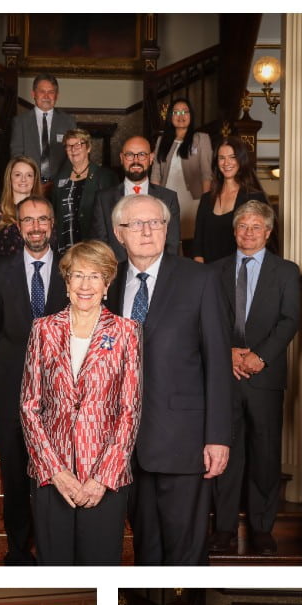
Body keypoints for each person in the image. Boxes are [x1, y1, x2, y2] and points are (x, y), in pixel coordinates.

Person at [109, 193, 231, 564]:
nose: (147, 231)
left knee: (185, 556)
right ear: (119, 233)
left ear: (167, 228)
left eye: (156, 223)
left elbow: (218, 363)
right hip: (124, 446)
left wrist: (217, 437)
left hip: (184, 440)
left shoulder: (200, 279)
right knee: (146, 552)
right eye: (136, 224)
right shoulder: (106, 284)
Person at [20, 239, 141, 565]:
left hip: (104, 475)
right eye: (77, 275)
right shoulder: (43, 329)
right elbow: (29, 405)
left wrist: (102, 477)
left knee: (100, 566)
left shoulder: (126, 332)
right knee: (53, 567)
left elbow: (129, 410)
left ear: (107, 284)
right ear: (66, 281)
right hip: (52, 473)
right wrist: (55, 471)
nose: (85, 284)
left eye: (94, 276)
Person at [208, 200, 301, 555]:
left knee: (264, 454)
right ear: (234, 231)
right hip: (224, 374)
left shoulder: (286, 271)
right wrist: (227, 353)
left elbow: (289, 320)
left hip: (264, 375)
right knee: (225, 452)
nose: (248, 232)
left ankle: (262, 528)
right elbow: (209, 320)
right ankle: (224, 528)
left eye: (256, 226)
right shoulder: (213, 271)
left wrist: (259, 356)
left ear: (268, 231)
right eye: (242, 226)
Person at [0, 195, 69, 564]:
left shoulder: (71, 269)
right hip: (11, 388)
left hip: (63, 388)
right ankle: (18, 551)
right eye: (28, 221)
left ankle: (53, 550)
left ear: (53, 224)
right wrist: (26, 357)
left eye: (43, 220)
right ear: (19, 227)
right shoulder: (0, 273)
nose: (36, 227)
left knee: (54, 472)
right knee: (15, 473)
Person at [0, 155, 44, 398]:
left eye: (29, 175)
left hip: (35, 290)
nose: (23, 180)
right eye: (18, 174)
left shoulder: (42, 212)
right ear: (10, 179)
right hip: (3, 293)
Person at [96, 135, 182, 260]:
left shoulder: (169, 198)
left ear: (151, 158)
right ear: (122, 158)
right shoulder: (103, 199)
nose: (136, 160)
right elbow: (99, 246)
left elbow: (172, 245)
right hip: (116, 273)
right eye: (130, 155)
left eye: (142, 154)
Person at [152, 97, 215, 246]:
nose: (181, 116)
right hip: (167, 199)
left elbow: (207, 172)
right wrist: (156, 200)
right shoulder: (162, 140)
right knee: (169, 240)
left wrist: (205, 203)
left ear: (191, 115)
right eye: (176, 112)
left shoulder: (201, 139)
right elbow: (155, 173)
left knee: (190, 240)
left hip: (193, 200)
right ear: (170, 117)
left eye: (185, 112)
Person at [194, 141, 270, 264]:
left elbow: (259, 240)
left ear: (241, 160)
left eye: (232, 157)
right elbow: (198, 245)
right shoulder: (206, 199)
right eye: (222, 158)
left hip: (239, 271)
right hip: (208, 272)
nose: (226, 163)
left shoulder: (254, 197)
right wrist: (202, 274)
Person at [51, 128, 119, 251]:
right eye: (69, 146)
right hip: (64, 246)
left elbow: (111, 217)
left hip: (93, 247)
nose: (73, 149)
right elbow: (55, 214)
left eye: (78, 144)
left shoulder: (105, 176)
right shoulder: (59, 178)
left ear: (88, 148)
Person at [10, 74, 76, 182]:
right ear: (33, 94)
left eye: (51, 92)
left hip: (61, 183)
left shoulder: (68, 121)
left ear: (56, 96)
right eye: (42, 91)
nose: (46, 96)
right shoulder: (20, 122)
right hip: (29, 183)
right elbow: (17, 156)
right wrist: (29, 179)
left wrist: (61, 180)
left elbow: (73, 155)